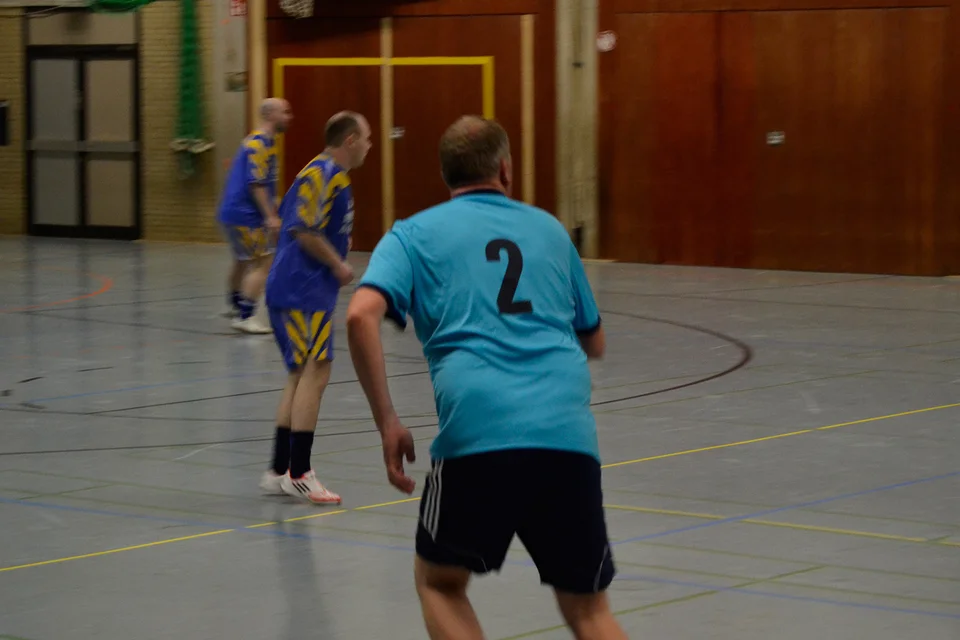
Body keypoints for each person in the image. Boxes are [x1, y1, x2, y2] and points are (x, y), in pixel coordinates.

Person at [345, 116, 627, 640]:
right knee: (590, 610)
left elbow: (360, 315)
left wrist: (388, 422)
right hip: (566, 439)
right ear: (505, 170)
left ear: (446, 175)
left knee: (439, 582)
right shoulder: (550, 230)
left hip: (477, 435)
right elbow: (596, 342)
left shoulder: (412, 235)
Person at [259, 111, 372, 505]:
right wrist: (338, 264)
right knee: (317, 371)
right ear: (350, 140)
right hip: (302, 291)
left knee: (299, 374)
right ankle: (300, 473)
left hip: (301, 290)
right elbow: (304, 229)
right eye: (367, 139)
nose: (370, 146)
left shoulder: (332, 176)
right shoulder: (322, 173)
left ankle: (279, 469)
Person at [217, 97, 292, 334]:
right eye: (285, 112)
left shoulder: (261, 141)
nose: (289, 117)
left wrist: (275, 201)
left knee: (242, 259)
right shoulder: (259, 144)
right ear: (270, 115)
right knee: (264, 261)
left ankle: (235, 304)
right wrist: (270, 216)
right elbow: (256, 183)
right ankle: (246, 315)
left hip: (232, 211)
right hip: (245, 214)